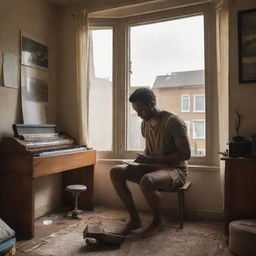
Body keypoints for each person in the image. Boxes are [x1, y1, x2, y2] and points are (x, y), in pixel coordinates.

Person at [110, 87, 191, 237]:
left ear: (152, 103)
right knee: (116, 171)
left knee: (147, 180)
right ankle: (135, 219)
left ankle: (158, 222)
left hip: (175, 170)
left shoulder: (174, 122)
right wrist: (141, 160)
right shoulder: (145, 123)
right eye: (136, 110)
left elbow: (186, 154)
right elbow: (149, 149)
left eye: (141, 110)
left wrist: (154, 159)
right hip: (154, 166)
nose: (139, 115)